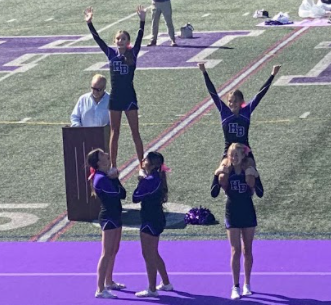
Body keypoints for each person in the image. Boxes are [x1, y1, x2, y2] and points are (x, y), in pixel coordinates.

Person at [198, 63, 281, 199]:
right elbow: (213, 93)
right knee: (223, 173)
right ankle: (216, 180)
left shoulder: (246, 111)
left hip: (245, 150)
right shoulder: (224, 112)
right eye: (230, 101)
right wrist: (204, 72)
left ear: (241, 101)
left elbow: (260, 94)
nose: (232, 104)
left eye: (235, 101)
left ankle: (257, 179)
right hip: (228, 151)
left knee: (250, 173)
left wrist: (272, 75)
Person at [84, 6, 146, 178]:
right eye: (118, 38)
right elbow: (99, 41)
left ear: (127, 41)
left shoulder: (133, 54)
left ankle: (142, 165)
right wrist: (90, 23)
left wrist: (142, 21)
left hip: (129, 97)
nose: (120, 41)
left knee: (135, 132)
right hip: (116, 98)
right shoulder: (111, 54)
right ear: (115, 41)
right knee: (114, 132)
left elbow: (140, 39)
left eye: (123, 38)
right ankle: (113, 165)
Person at [87, 148, 127, 299]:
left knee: (114, 250)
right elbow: (117, 194)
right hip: (108, 217)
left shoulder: (106, 175)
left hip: (116, 215)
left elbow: (122, 194)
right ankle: (100, 288)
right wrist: (115, 178)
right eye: (102, 154)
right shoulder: (101, 178)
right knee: (105, 253)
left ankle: (109, 281)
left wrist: (115, 178)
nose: (106, 155)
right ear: (98, 162)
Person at [132, 151, 173, 297]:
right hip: (156, 217)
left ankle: (152, 289)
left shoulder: (149, 180)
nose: (142, 160)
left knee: (148, 255)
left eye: (145, 159)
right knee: (154, 253)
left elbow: (135, 197)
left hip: (150, 219)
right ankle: (166, 283)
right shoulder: (157, 178)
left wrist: (141, 180)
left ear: (150, 163)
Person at [220, 143, 258, 299]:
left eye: (236, 155)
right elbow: (216, 189)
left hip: (247, 211)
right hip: (232, 212)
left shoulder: (248, 171)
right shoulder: (227, 171)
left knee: (247, 249)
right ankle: (235, 285)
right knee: (235, 250)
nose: (233, 158)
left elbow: (258, 190)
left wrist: (253, 174)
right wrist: (220, 173)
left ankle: (247, 284)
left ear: (243, 156)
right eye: (231, 155)